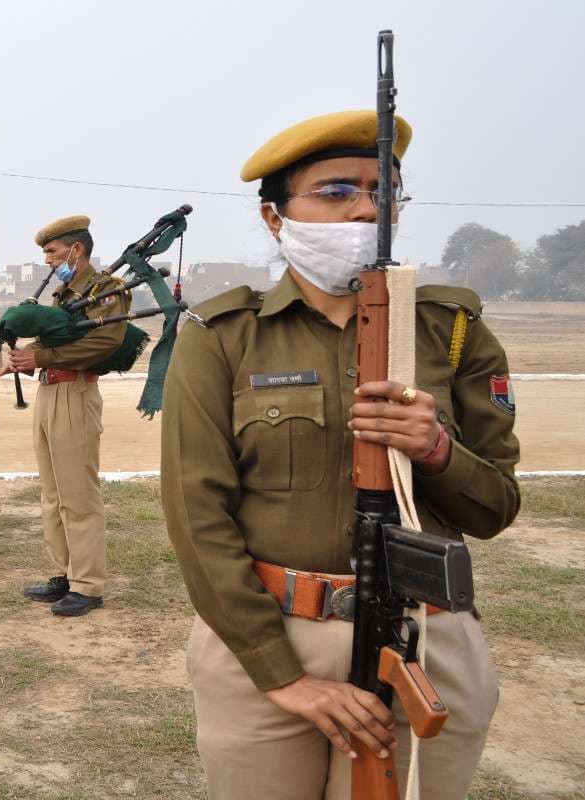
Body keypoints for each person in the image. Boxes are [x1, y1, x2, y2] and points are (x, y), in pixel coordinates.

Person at [161, 111, 518, 799]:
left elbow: (495, 506)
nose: (363, 210)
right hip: (270, 641)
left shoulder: (451, 333)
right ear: (274, 217)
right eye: (334, 192)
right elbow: (196, 517)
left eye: (381, 193)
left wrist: (435, 449)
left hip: (423, 641)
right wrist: (283, 676)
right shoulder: (223, 337)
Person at [0, 216, 125, 616]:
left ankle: (88, 585)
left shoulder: (107, 290)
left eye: (52, 251)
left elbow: (104, 342)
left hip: (76, 391)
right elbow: (57, 339)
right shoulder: (64, 294)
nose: (49, 260)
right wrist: (24, 358)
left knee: (78, 495)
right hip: (49, 391)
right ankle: (66, 574)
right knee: (52, 494)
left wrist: (42, 355)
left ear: (77, 249)